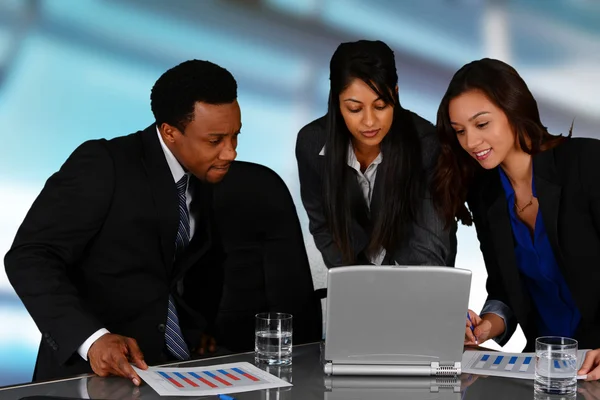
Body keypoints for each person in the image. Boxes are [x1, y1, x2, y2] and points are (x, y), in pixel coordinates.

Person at [4, 60, 241, 383]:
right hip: (94, 373)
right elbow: (29, 256)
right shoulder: (104, 164)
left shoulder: (203, 176)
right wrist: (92, 338)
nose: (230, 153)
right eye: (215, 141)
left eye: (235, 136)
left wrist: (198, 329)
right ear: (169, 132)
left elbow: (186, 269)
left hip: (175, 370)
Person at [432, 57, 600, 380]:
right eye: (460, 131)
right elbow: (504, 290)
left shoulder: (587, 164)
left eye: (482, 124)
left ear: (513, 108)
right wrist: (483, 327)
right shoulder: (485, 197)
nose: (470, 142)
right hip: (542, 366)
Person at [296, 40, 456, 268]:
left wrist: (411, 297)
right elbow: (323, 227)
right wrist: (355, 281)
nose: (369, 121)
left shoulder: (427, 146)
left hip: (417, 277)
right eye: (354, 108)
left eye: (381, 106)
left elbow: (429, 243)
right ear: (336, 102)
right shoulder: (311, 144)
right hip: (355, 279)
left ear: (396, 95)